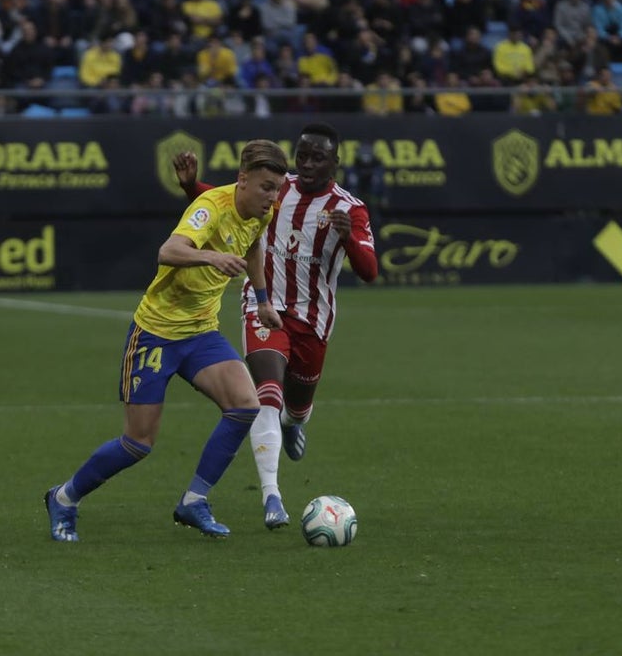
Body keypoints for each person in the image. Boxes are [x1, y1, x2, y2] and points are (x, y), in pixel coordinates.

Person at [44, 140, 289, 542]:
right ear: (242, 179)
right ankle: (65, 498)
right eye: (265, 187)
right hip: (156, 333)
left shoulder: (263, 212)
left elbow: (254, 247)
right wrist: (211, 257)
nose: (272, 197)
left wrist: (263, 301)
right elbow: (168, 250)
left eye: (276, 188)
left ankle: (194, 501)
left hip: (201, 332)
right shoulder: (210, 206)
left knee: (245, 405)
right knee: (138, 443)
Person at [173, 123, 378, 529]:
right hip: (263, 305)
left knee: (296, 405)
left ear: (334, 163)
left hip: (313, 322)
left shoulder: (349, 209)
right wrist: (191, 186)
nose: (305, 164)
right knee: (266, 393)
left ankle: (295, 422)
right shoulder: (275, 189)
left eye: (317, 158)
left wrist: (349, 240)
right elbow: (228, 205)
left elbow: (370, 271)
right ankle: (273, 498)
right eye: (301, 155)